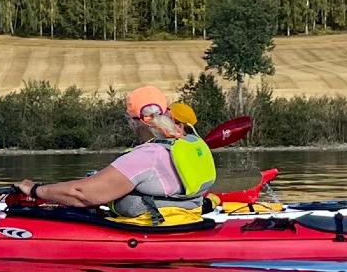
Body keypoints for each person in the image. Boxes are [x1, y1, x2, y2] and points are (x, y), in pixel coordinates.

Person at [15, 86, 217, 224]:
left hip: (153, 231)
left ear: (133, 121)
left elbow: (81, 194)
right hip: (186, 221)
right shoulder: (191, 142)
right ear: (167, 113)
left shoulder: (146, 156)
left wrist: (35, 189)